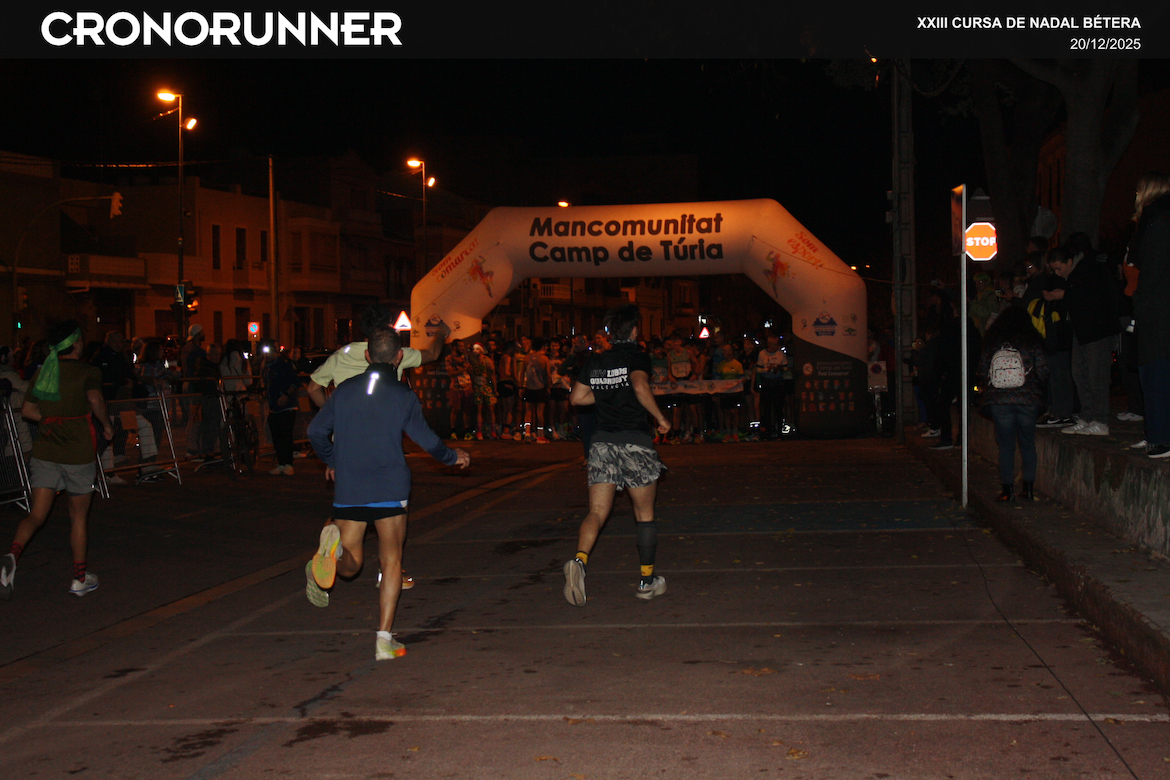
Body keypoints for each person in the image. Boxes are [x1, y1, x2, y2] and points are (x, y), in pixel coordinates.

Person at [305, 327, 471, 660]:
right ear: (398, 357)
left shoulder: (344, 391)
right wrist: (453, 457)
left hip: (350, 485)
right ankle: (384, 639)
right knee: (391, 560)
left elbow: (315, 431)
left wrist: (333, 459)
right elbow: (426, 439)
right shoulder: (402, 395)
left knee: (351, 566)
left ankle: (334, 554)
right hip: (389, 487)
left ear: (368, 356)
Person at [563, 304, 671, 607]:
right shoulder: (637, 355)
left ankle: (579, 561)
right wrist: (660, 418)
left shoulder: (596, 359)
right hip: (634, 441)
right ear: (635, 330)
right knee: (644, 514)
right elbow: (639, 385)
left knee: (597, 512)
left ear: (610, 332)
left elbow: (577, 397)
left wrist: (608, 394)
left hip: (602, 444)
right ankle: (646, 581)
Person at [1, 320, 114, 600]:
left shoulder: (44, 372)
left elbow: (28, 411)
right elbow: (95, 399)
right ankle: (79, 578)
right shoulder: (88, 371)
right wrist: (106, 425)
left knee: (36, 515)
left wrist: (54, 418)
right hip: (77, 453)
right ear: (75, 344)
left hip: (45, 451)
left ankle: (12, 556)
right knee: (78, 516)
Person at [306, 305, 448, 408]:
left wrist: (331, 412)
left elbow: (313, 388)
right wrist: (441, 333)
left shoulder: (342, 355)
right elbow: (433, 353)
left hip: (346, 434)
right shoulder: (394, 352)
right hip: (383, 433)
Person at [1048, 241, 1121, 436]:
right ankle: (1087, 417)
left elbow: (1094, 297)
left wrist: (1065, 295)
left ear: (1069, 261)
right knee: (1080, 374)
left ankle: (1101, 420)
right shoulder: (1075, 274)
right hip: (1081, 332)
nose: (1057, 273)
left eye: (1059, 268)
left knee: (1096, 375)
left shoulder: (1090, 269)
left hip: (1096, 331)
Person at [977, 306, 1049, 502]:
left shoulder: (993, 342)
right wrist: (1035, 387)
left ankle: (1007, 490)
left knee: (1006, 445)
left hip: (1000, 400)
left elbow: (983, 369)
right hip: (1028, 400)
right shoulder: (1032, 341)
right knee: (1027, 444)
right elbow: (1043, 370)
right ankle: (1028, 488)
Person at [1127, 171, 1170, 459]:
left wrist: (1140, 304)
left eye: (1139, 190)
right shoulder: (1153, 222)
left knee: (1156, 374)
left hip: (1158, 312)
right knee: (1149, 373)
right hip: (1154, 309)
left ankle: (1161, 438)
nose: (1135, 196)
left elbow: (1153, 272)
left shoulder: (1160, 222)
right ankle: (1154, 433)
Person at [260, 341, 301, 475]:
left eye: (270, 353)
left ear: (276, 353)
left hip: (286, 407)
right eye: (265, 353)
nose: (267, 356)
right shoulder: (266, 368)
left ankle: (288, 464)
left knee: (285, 435)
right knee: (276, 436)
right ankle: (281, 463)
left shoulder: (283, 365)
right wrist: (265, 395)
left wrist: (285, 395)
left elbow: (295, 382)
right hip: (274, 408)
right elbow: (267, 385)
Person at [755, 331, 788, 439]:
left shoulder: (780, 354)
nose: (775, 347)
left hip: (778, 384)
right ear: (768, 344)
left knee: (779, 409)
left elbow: (786, 368)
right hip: (767, 384)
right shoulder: (762, 354)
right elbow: (758, 369)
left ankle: (780, 432)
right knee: (767, 409)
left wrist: (780, 368)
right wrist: (766, 369)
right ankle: (768, 432)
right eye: (773, 344)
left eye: (776, 344)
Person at [522, 337, 552, 443]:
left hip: (529, 387)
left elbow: (522, 373)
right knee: (540, 412)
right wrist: (548, 387)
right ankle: (540, 435)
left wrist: (521, 386)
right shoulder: (544, 359)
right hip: (540, 387)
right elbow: (548, 374)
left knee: (528, 411)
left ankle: (527, 432)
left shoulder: (526, 358)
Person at [444, 339, 474, 440]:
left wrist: (469, 368)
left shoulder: (465, 357)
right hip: (456, 387)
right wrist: (464, 369)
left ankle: (467, 432)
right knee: (455, 409)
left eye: (463, 346)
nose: (462, 348)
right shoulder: (449, 358)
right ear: (454, 347)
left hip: (467, 386)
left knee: (467, 409)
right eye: (460, 346)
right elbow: (450, 373)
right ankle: (453, 432)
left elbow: (470, 370)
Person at [469, 342, 497, 440]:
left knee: (490, 409)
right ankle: (480, 431)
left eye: (477, 349)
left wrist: (494, 388)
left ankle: (492, 431)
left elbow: (492, 375)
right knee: (479, 409)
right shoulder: (472, 361)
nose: (475, 351)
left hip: (487, 386)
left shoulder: (487, 361)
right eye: (474, 349)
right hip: (477, 387)